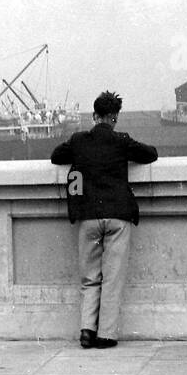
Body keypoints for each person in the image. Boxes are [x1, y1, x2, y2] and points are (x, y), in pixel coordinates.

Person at [49, 91, 158, 349]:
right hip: (118, 217)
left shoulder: (78, 140)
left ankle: (86, 330)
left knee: (89, 278)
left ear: (94, 116)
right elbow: (150, 154)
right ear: (115, 118)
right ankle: (106, 335)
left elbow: (56, 156)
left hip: (87, 217)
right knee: (112, 278)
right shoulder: (121, 141)